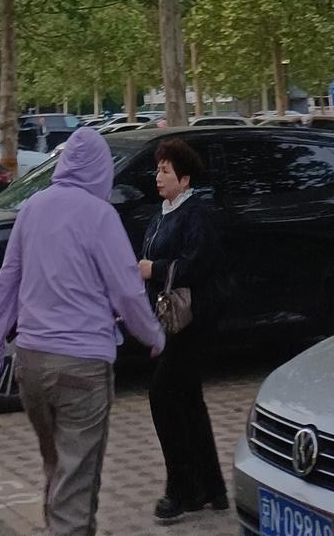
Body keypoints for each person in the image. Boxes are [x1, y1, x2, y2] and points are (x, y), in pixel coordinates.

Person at [0, 125, 165, 536]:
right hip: (82, 366)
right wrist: (153, 335)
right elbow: (127, 289)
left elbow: (6, 282)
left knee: (58, 468)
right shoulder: (100, 215)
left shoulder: (31, 208)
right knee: (76, 482)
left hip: (30, 363)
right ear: (100, 170)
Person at [138, 138, 227, 524]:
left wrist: (154, 270)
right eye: (158, 169)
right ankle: (210, 488)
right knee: (189, 400)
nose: (158, 176)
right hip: (170, 321)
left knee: (163, 395)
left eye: (165, 170)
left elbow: (197, 264)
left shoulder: (195, 214)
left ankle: (180, 489)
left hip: (193, 321)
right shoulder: (162, 214)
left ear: (185, 179)